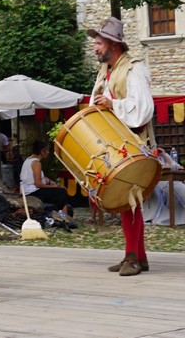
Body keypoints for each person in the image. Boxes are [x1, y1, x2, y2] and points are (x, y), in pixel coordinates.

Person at [87, 16, 156, 276]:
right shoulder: (107, 71)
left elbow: (144, 109)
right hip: (117, 143)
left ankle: (132, 257)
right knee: (129, 202)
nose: (95, 47)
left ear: (113, 45)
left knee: (131, 201)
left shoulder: (133, 68)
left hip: (135, 144)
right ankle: (139, 256)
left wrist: (113, 104)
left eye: (98, 42)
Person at [19, 140, 72, 217]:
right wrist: (54, 186)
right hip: (32, 192)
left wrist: (52, 182)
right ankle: (65, 216)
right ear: (42, 151)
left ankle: (59, 214)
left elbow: (41, 177)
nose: (48, 152)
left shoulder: (29, 159)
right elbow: (38, 184)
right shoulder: (37, 163)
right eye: (47, 150)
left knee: (57, 191)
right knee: (61, 192)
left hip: (28, 190)